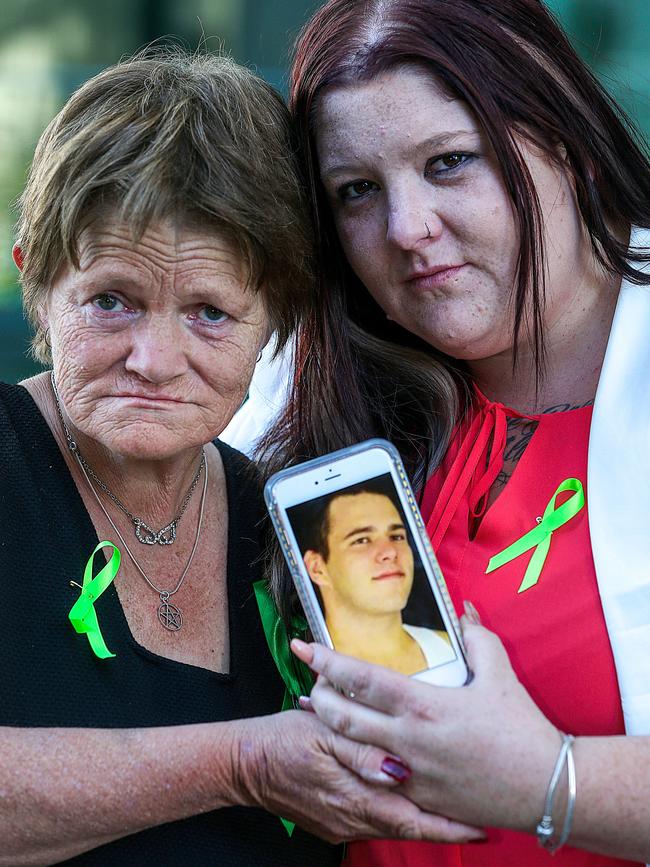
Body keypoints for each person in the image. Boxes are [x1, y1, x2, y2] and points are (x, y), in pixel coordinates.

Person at [1, 50, 486, 865]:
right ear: (37, 282)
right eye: (111, 300)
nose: (153, 359)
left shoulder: (300, 525)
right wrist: (244, 762)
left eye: (210, 312)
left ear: (279, 322)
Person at [258, 0, 650, 863]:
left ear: (569, 140)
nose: (406, 229)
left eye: (449, 163)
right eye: (357, 191)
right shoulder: (305, 392)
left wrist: (551, 778)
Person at [293, 479, 453, 674]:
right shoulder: (305, 674)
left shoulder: (449, 649)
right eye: (361, 540)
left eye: (397, 537)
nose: (390, 552)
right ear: (317, 568)